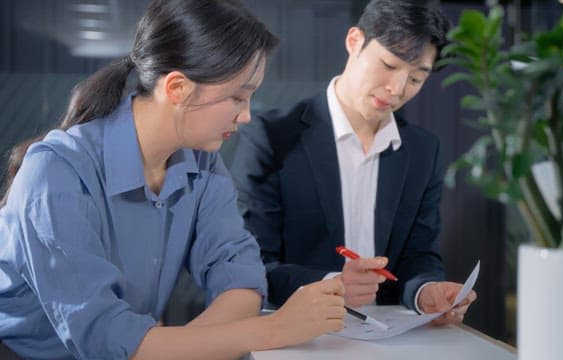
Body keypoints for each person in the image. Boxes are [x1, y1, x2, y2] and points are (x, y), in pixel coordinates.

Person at [0, 0, 346, 359]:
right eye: (238, 97)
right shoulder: (55, 174)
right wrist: (274, 329)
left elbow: (241, 278)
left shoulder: (201, 163)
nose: (245, 116)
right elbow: (105, 338)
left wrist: (173, 349)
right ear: (178, 88)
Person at [226, 0, 476, 325]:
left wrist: (425, 290)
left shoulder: (422, 151)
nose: (397, 89)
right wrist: (332, 283)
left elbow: (419, 254)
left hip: (387, 333)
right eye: (388, 65)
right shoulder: (272, 137)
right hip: (294, 333)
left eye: (415, 79)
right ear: (354, 41)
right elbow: (252, 263)